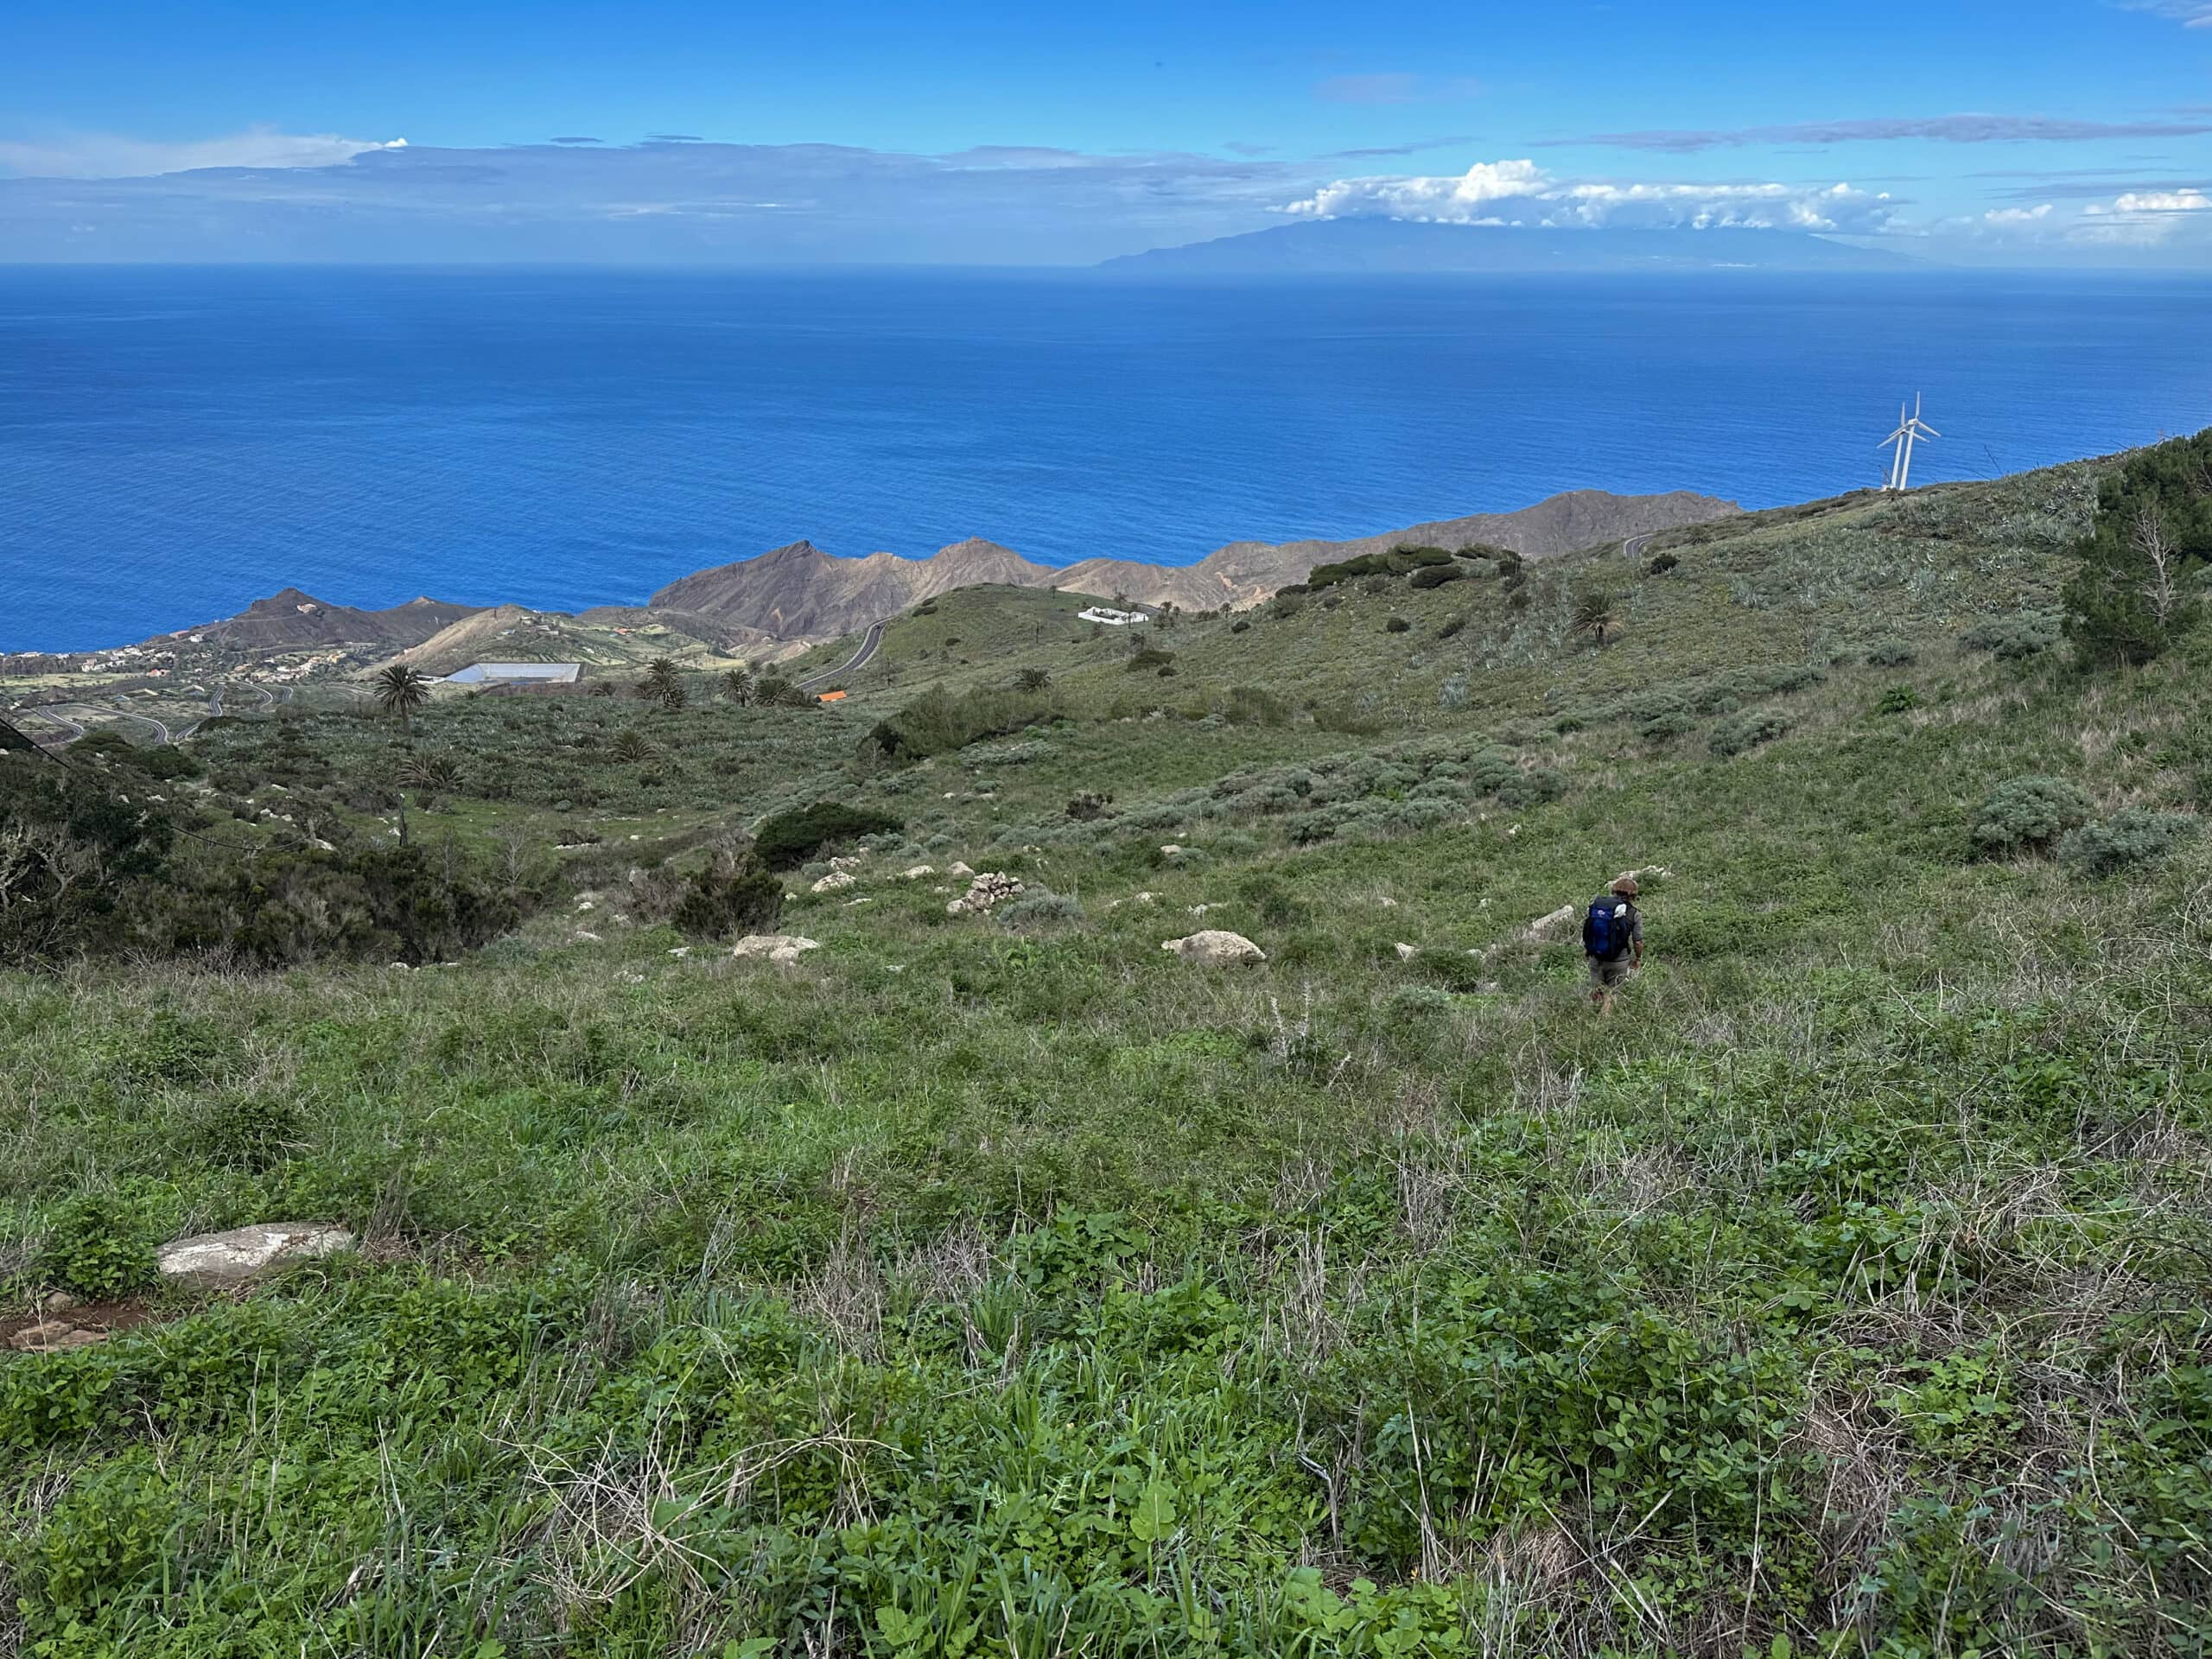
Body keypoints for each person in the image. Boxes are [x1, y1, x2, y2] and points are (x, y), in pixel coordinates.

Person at [1582, 874, 1643, 1014]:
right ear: (1633, 895)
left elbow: (1588, 930)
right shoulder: (1635, 914)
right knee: (1612, 993)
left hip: (1596, 958)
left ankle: (1588, 1019)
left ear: (1614, 890)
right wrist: (1638, 958)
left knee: (1596, 991)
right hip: (1619, 961)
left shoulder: (1600, 907)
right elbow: (1638, 941)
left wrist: (1588, 950)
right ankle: (1604, 1025)